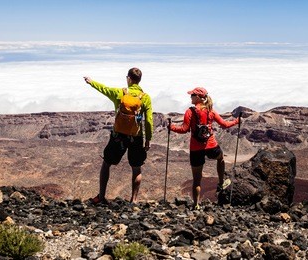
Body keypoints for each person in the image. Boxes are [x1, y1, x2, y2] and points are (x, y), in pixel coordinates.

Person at [83, 67, 153, 204]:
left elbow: (103, 89)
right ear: (139, 81)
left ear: (128, 78)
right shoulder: (145, 98)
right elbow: (149, 121)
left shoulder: (119, 93)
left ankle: (102, 197)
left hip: (118, 136)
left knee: (107, 163)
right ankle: (134, 200)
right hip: (136, 137)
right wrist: (148, 139)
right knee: (136, 167)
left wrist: (91, 82)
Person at [168, 87, 239, 210]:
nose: (190, 97)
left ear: (199, 97)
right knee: (220, 158)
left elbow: (184, 129)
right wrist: (237, 121)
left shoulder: (190, 112)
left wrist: (171, 127)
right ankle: (221, 183)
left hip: (196, 149)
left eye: (192, 95)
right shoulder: (210, 111)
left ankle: (196, 205)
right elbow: (225, 124)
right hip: (211, 145)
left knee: (196, 179)